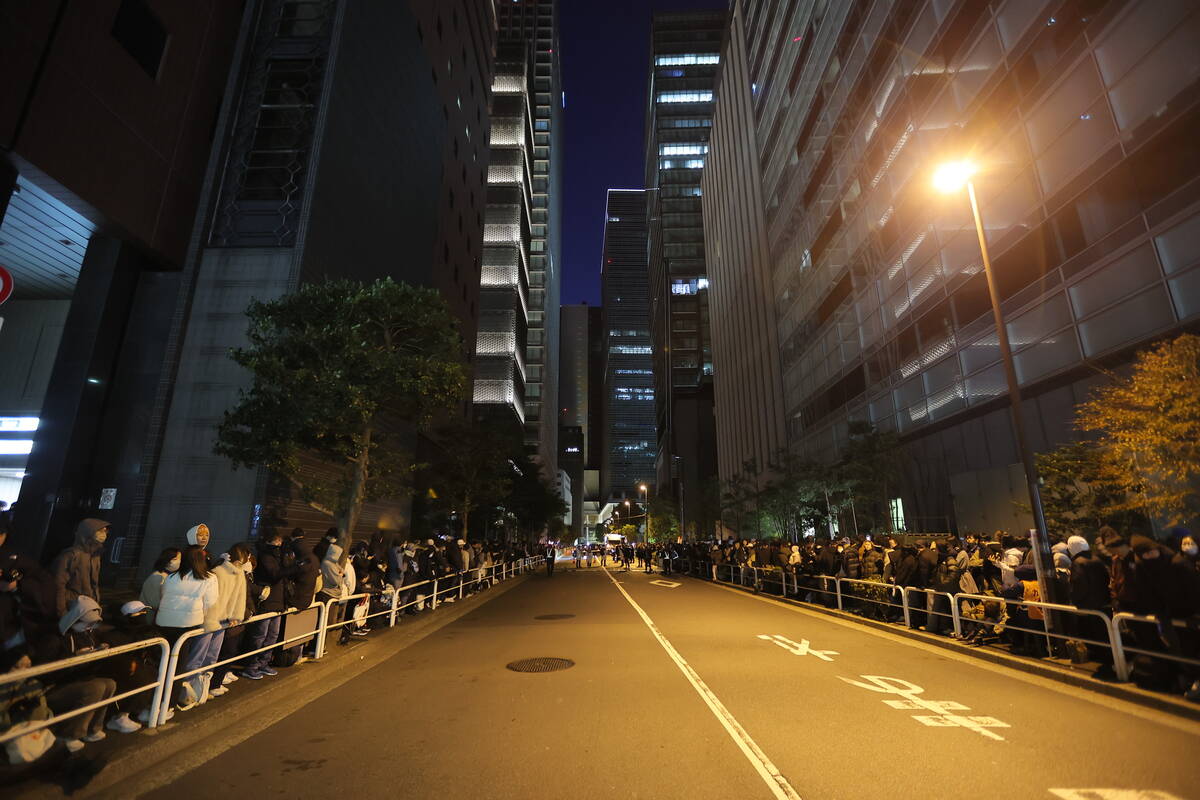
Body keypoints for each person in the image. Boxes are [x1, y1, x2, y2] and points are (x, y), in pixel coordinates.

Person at [156, 545, 220, 709]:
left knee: (161, 663)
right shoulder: (209, 578)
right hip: (187, 624)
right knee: (178, 666)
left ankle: (153, 703)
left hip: (164, 623)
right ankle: (168, 705)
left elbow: (163, 596)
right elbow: (211, 602)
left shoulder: (171, 577)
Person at [240, 531, 297, 680]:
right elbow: (275, 574)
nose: (279, 545)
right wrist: (289, 566)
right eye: (276, 542)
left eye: (280, 542)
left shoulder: (279, 556)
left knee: (272, 635)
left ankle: (263, 663)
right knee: (260, 636)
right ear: (268, 542)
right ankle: (251, 666)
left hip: (278, 601)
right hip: (267, 601)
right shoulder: (265, 556)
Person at [209, 544, 254, 694]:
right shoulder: (219, 572)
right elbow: (215, 599)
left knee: (221, 653)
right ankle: (208, 686)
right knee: (211, 655)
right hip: (217, 619)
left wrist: (236, 615)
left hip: (229, 620)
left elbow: (240, 597)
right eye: (243, 560)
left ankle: (213, 685)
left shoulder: (239, 572)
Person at [50, 519, 109, 617]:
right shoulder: (71, 555)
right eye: (100, 531)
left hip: (87, 608)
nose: (104, 534)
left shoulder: (95, 555)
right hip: (73, 607)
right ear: (88, 532)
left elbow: (93, 586)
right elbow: (58, 586)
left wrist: (95, 605)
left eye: (105, 531)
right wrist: (62, 613)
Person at [139, 548, 181, 626]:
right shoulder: (157, 577)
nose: (179, 561)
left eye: (180, 559)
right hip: (150, 619)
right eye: (175, 559)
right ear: (166, 560)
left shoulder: (169, 576)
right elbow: (155, 603)